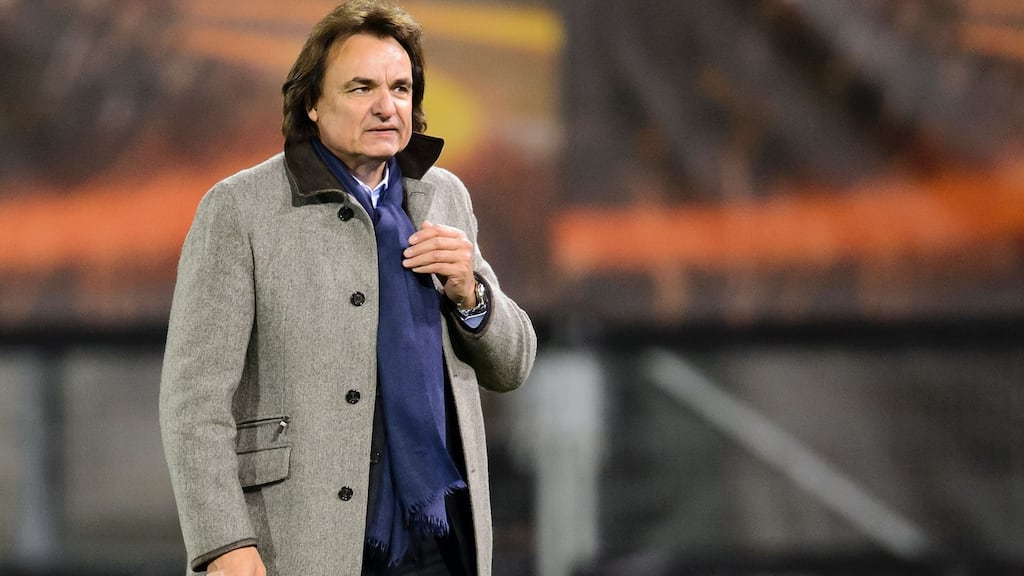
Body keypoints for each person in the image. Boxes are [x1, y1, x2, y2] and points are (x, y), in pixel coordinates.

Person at [159, 1, 537, 574]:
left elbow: (511, 367)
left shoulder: (443, 195)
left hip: (439, 538)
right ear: (312, 103)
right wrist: (224, 542)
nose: (387, 106)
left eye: (401, 88)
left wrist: (471, 294)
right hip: (301, 535)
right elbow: (194, 404)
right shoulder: (239, 209)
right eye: (362, 88)